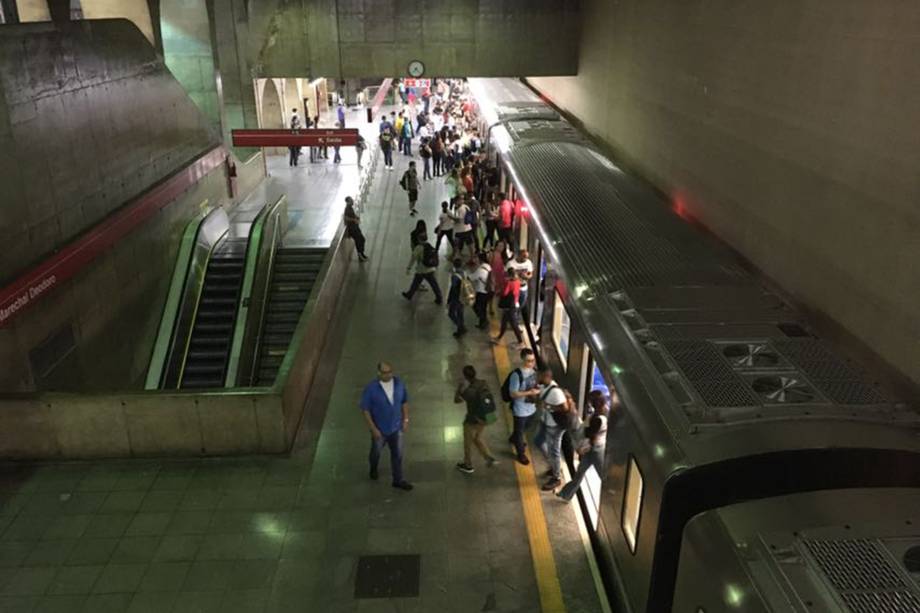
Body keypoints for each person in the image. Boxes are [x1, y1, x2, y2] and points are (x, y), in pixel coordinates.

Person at [361, 362, 413, 491]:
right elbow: (365, 409)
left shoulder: (399, 384)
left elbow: (404, 401)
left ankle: (398, 479)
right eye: (385, 372)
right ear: (379, 373)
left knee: (398, 454)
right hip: (380, 430)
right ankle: (373, 467)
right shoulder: (371, 389)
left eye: (390, 372)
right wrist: (373, 428)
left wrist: (405, 419)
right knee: (376, 452)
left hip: (396, 428)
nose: (388, 375)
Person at [558, 391, 610, 502]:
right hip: (593, 449)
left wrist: (582, 448)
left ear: (595, 403)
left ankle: (611, 495)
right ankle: (565, 494)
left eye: (591, 401)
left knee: (602, 474)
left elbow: (590, 436)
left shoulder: (598, 419)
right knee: (579, 473)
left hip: (596, 450)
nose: (589, 403)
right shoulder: (604, 412)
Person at [454, 365, 498, 473]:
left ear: (465, 376)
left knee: (467, 442)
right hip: (487, 416)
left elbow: (457, 400)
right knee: (477, 437)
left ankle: (467, 465)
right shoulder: (483, 382)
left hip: (474, 419)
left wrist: (459, 388)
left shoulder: (469, 391)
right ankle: (489, 458)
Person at [533, 368, 570, 491]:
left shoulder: (556, 392)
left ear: (546, 376)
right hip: (545, 421)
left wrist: (548, 406)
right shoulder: (543, 386)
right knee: (538, 441)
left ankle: (557, 477)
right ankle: (554, 466)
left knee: (554, 451)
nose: (536, 378)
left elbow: (564, 408)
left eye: (539, 376)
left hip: (554, 426)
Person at [508, 349, 540, 465]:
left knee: (526, 427)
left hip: (531, 407)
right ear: (522, 359)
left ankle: (514, 438)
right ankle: (521, 453)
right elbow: (513, 393)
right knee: (520, 432)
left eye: (533, 360)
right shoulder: (516, 375)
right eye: (528, 361)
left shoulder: (534, 372)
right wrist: (529, 393)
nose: (531, 363)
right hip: (520, 409)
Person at [402, 232, 443, 304]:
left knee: (415, 283)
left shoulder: (418, 248)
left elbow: (413, 258)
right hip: (430, 269)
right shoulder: (429, 246)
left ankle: (409, 295)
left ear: (419, 239)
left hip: (422, 269)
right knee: (434, 284)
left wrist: (409, 268)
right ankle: (439, 297)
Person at [493, 268, 524, 346]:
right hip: (514, 303)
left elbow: (504, 293)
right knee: (504, 322)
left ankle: (521, 342)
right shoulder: (518, 281)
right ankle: (498, 338)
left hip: (510, 306)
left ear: (509, 275)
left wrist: (499, 290)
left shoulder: (509, 283)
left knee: (514, 324)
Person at [507, 250, 534, 321]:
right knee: (513, 305)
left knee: (521, 304)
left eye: (526, 257)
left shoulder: (528, 263)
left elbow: (530, 274)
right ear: (519, 255)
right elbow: (506, 276)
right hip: (514, 289)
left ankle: (515, 317)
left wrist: (526, 276)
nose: (525, 259)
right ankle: (513, 319)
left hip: (523, 287)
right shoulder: (511, 264)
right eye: (524, 257)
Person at [468, 252, 492, 329]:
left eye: (477, 258)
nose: (475, 259)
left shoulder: (480, 270)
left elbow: (471, 278)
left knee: (476, 306)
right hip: (488, 291)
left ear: (480, 259)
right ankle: (483, 322)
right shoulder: (488, 266)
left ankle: (483, 321)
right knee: (483, 308)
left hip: (481, 292)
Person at [446, 258, 467, 338]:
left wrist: (449, 300)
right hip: (463, 296)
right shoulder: (464, 273)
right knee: (460, 313)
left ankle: (460, 327)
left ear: (454, 265)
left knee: (451, 313)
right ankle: (460, 328)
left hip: (456, 297)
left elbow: (453, 288)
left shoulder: (455, 276)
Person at [343, 196, 368, 262]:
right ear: (348, 202)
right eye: (351, 200)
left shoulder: (350, 208)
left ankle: (361, 253)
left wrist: (356, 217)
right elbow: (346, 218)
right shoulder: (347, 208)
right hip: (352, 229)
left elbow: (352, 216)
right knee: (359, 240)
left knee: (362, 239)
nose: (353, 201)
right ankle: (360, 255)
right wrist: (354, 220)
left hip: (355, 227)